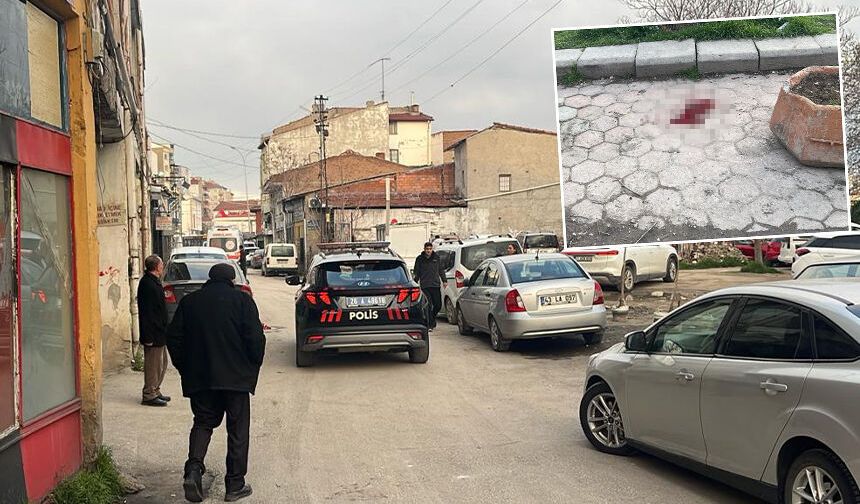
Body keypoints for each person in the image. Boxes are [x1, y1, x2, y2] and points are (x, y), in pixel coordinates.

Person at [167, 263, 266, 503]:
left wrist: (185, 367)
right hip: (236, 379)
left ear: (209, 279)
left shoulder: (190, 303)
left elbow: (173, 338)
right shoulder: (243, 302)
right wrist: (252, 367)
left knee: (202, 423)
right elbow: (255, 339)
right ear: (231, 280)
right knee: (237, 430)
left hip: (201, 378)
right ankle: (235, 485)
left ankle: (193, 469)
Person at [137, 254, 170, 407]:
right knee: (153, 364)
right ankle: (149, 394)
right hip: (152, 332)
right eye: (161, 265)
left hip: (159, 331)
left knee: (162, 363)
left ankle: (155, 389)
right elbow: (147, 313)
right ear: (157, 267)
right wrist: (148, 336)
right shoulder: (147, 284)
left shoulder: (154, 282)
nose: (162, 267)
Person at [413, 241, 446, 330]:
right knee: (429, 305)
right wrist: (415, 282)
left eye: (430, 249)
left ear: (432, 249)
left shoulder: (437, 258)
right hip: (425, 286)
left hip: (435, 285)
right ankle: (430, 324)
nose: (428, 251)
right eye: (427, 249)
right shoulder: (420, 259)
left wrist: (444, 280)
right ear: (424, 249)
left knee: (438, 305)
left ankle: (432, 318)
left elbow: (441, 270)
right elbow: (417, 272)